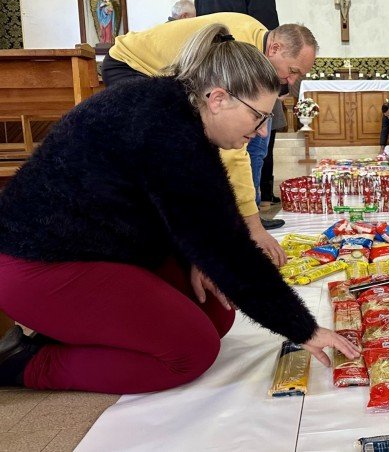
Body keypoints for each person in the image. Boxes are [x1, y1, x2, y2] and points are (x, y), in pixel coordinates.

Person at [0, 24, 359, 393]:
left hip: (100, 247)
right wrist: (304, 328)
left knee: (216, 314)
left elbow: (164, 208)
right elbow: (229, 250)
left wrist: (193, 259)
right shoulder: (167, 131)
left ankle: (76, 331)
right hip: (40, 266)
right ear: (218, 98)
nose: (263, 132)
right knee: (191, 352)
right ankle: (27, 362)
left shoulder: (175, 111)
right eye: (259, 117)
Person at [101, 12, 317, 254]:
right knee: (176, 146)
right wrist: (254, 228)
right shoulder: (242, 48)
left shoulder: (258, 36)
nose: (291, 79)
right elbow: (232, 152)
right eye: (293, 70)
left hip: (167, 71)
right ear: (275, 48)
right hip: (131, 65)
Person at [194, 0, 285, 211]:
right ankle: (251, 214)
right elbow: (269, 39)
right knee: (254, 147)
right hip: (249, 80)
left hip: (212, 79)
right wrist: (276, 86)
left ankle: (222, 213)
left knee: (217, 150)